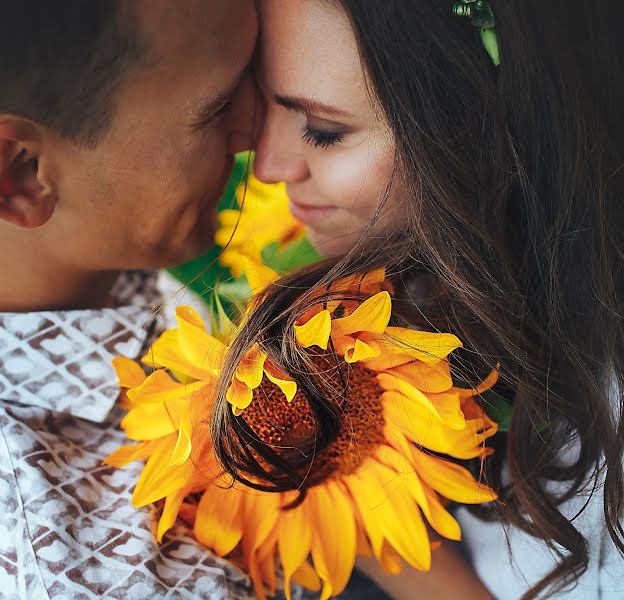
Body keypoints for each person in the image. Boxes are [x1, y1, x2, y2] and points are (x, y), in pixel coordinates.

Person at [211, 1, 624, 598]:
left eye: (325, 132)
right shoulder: (406, 290)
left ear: (490, 125)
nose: (268, 166)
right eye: (263, 102)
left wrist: (372, 533)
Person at [0, 1, 263, 597]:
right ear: (23, 174)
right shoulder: (61, 563)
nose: (259, 129)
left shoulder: (114, 267)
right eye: (219, 108)